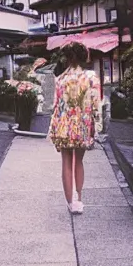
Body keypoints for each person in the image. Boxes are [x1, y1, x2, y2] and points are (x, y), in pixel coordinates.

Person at [48, 42, 103, 215]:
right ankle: (79, 199)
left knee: (66, 162)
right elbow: (96, 103)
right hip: (83, 124)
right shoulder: (91, 77)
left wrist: (52, 127)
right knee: (78, 161)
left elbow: (56, 105)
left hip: (64, 124)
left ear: (68, 58)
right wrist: (98, 125)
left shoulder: (60, 79)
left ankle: (70, 203)